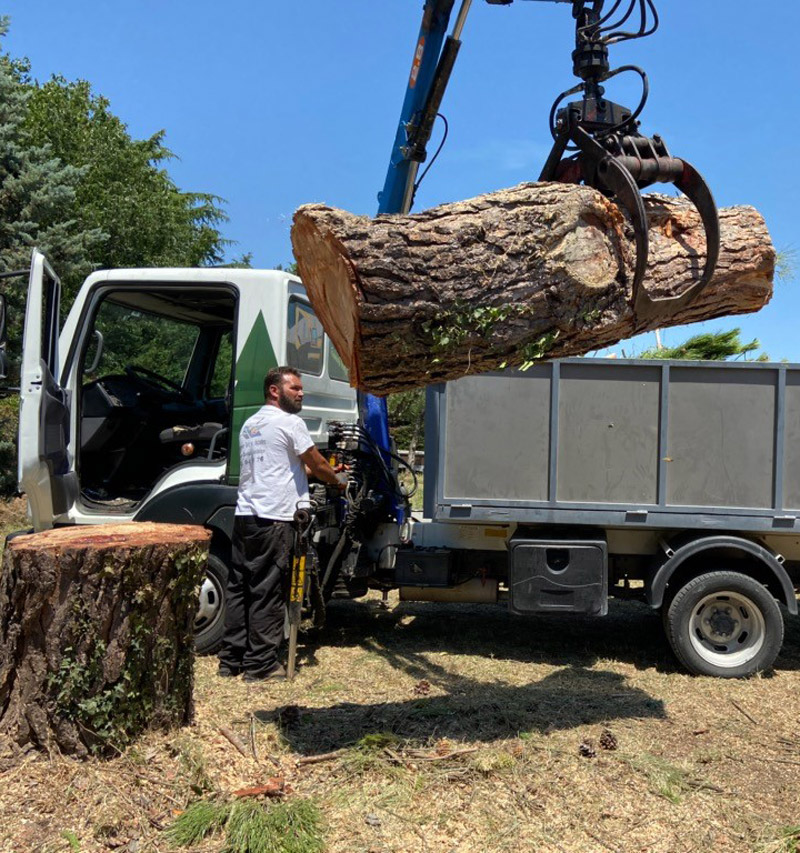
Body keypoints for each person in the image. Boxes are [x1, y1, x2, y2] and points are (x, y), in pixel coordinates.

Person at [217, 365, 346, 681]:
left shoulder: (251, 424)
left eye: (301, 389)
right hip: (276, 517)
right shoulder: (291, 422)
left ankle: (231, 659)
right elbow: (314, 462)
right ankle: (260, 665)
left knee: (240, 587)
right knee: (267, 591)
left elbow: (283, 465)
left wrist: (318, 471)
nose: (301, 393)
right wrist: (338, 479)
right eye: (295, 388)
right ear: (275, 390)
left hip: (246, 515)